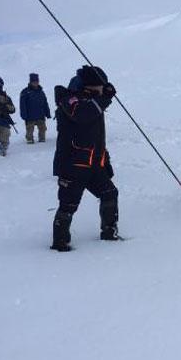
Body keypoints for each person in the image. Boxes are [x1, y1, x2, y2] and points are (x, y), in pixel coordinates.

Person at [51, 66, 120, 252]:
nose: (102, 90)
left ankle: (109, 232)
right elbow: (82, 115)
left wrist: (105, 161)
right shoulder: (70, 99)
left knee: (110, 193)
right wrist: (105, 98)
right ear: (89, 87)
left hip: (94, 164)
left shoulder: (93, 101)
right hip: (73, 164)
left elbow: (97, 137)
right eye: (100, 86)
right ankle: (60, 243)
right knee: (68, 204)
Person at [19, 73, 51, 144]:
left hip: (40, 115)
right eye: (34, 81)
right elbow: (22, 105)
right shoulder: (25, 92)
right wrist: (23, 115)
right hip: (30, 116)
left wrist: (47, 113)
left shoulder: (41, 92)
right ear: (30, 82)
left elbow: (45, 103)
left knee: (42, 128)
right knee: (30, 129)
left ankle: (42, 139)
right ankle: (29, 139)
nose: (36, 83)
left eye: (37, 81)